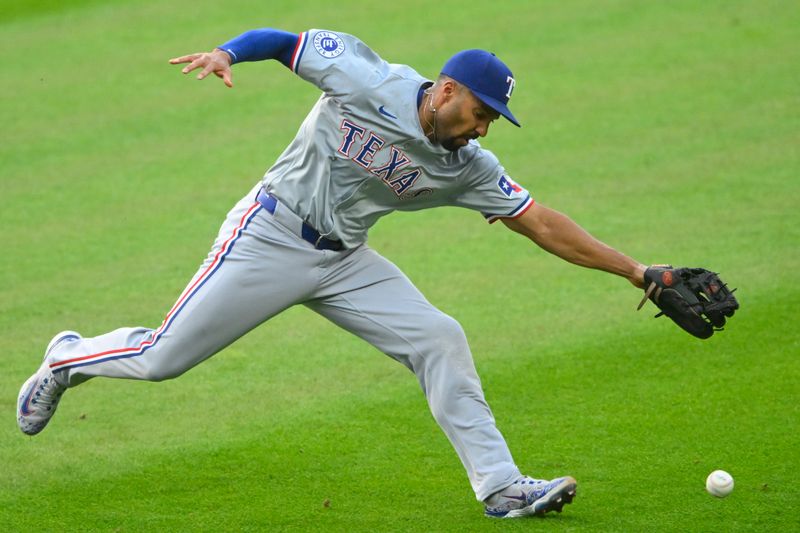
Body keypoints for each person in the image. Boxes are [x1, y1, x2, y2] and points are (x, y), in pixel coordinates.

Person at [17, 28, 647, 519]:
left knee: (438, 337)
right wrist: (225, 53)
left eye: (492, 121)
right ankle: (67, 359)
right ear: (448, 90)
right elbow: (283, 42)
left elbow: (541, 222)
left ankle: (502, 488)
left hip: (344, 259)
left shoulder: (469, 165)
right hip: (268, 234)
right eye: (481, 112)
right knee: (164, 359)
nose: (482, 129)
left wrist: (640, 273)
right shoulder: (366, 78)